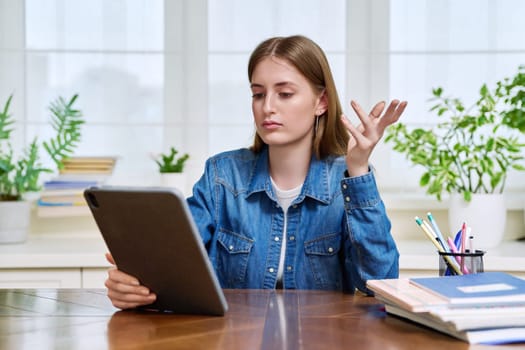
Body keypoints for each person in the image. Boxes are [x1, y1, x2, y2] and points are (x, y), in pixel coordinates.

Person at [105, 35, 407, 309]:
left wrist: (357, 170)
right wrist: (134, 287)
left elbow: (378, 283)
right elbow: (169, 266)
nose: (268, 108)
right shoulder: (222, 176)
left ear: (321, 102)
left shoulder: (347, 182)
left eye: (285, 94)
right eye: (258, 94)